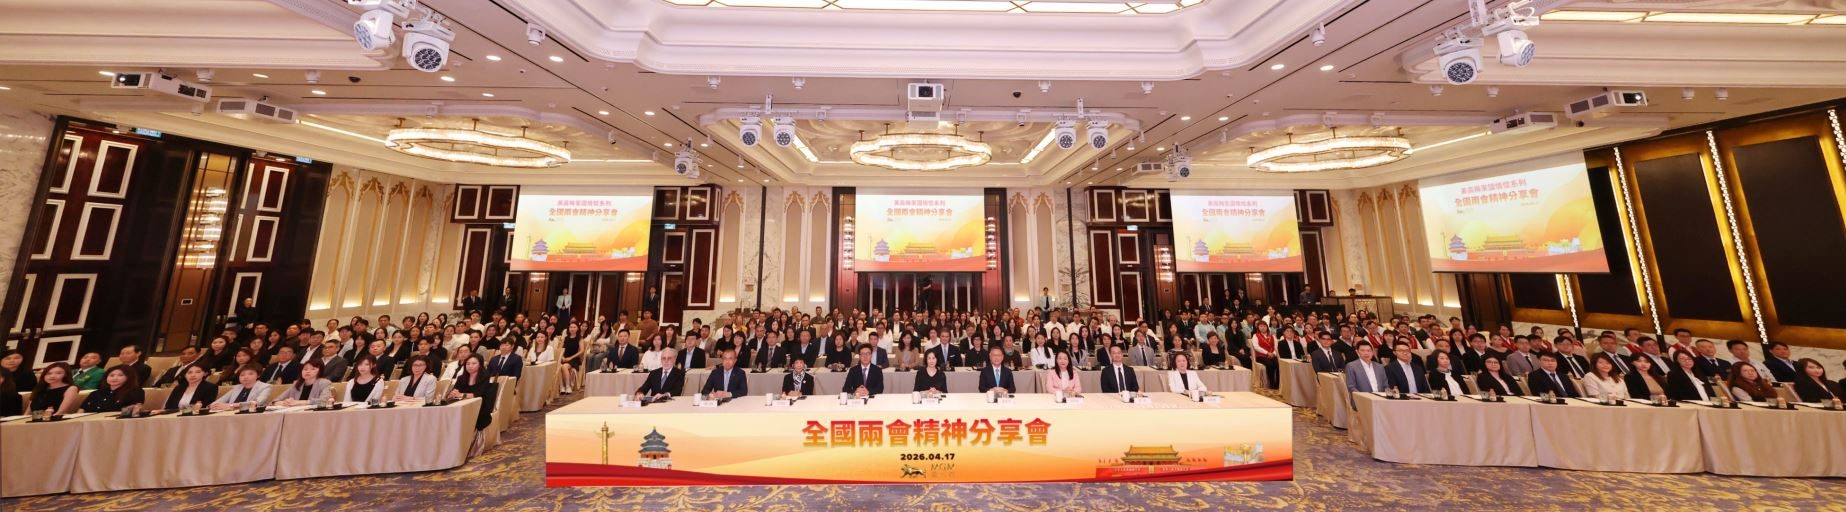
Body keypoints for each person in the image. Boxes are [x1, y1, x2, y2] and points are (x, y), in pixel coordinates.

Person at [446, 354, 498, 457]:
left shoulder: (484, 376)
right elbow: (455, 392)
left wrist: (461, 395)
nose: (470, 366)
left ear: (480, 365)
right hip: (463, 407)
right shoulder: (461, 378)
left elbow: (478, 394)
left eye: (474, 363)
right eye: (468, 364)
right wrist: (452, 394)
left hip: (480, 408)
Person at [80, 365, 145, 413]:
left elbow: (136, 409)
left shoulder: (136, 391)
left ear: (129, 377)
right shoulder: (95, 393)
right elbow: (81, 410)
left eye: (120, 375)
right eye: (111, 375)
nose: (115, 378)